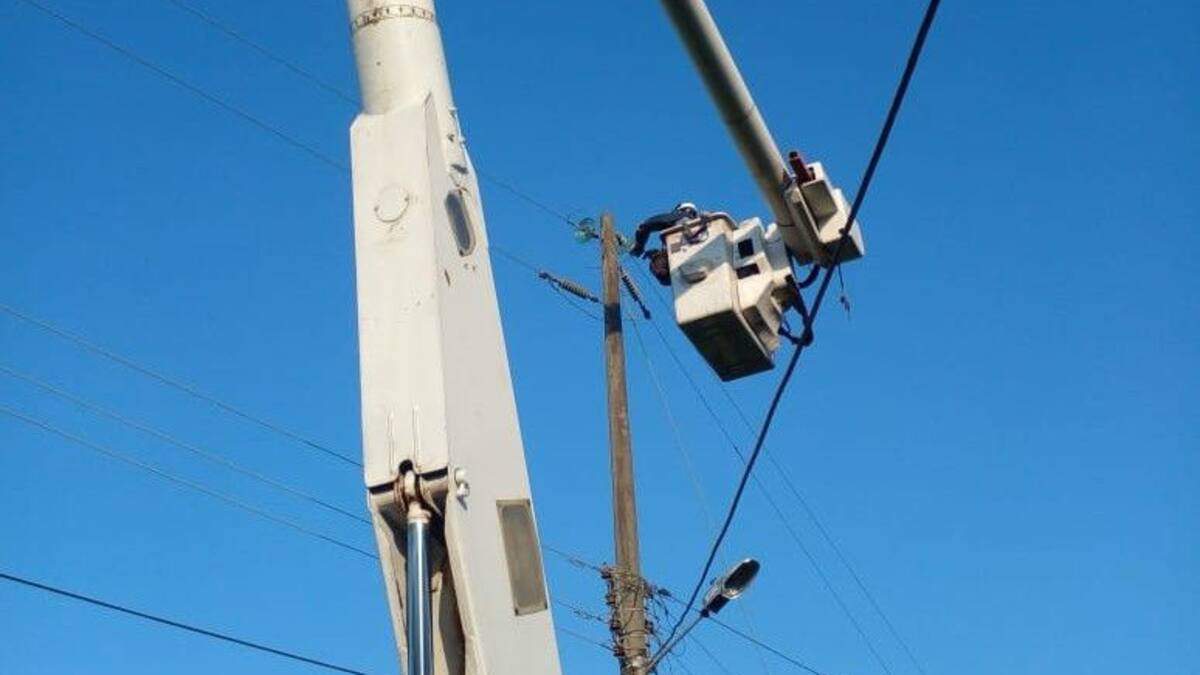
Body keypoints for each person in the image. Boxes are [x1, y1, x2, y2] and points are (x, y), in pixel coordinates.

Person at [629, 202, 700, 286]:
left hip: (678, 265)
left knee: (658, 264)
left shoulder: (679, 216)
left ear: (680, 210)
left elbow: (645, 225)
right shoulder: (702, 228)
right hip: (696, 261)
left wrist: (639, 246)